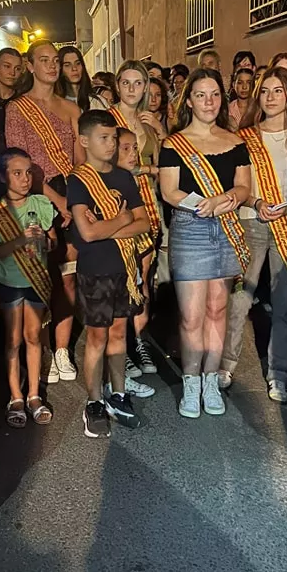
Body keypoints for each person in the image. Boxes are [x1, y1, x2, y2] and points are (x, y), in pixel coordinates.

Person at [223, 67, 287, 402]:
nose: (269, 97)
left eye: (277, 91)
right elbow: (237, 185)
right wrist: (255, 200)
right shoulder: (245, 137)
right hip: (252, 220)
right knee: (239, 299)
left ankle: (278, 374)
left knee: (284, 302)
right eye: (264, 91)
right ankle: (224, 367)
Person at [159, 68, 251, 418]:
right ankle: (191, 381)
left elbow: (244, 188)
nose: (209, 102)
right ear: (190, 100)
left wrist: (226, 198)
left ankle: (211, 380)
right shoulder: (174, 143)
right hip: (191, 230)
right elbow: (169, 191)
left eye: (215, 94)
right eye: (201, 95)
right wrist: (204, 204)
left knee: (218, 310)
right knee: (191, 316)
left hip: (226, 228)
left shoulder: (235, 141)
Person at [67, 110, 150, 437]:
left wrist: (106, 228)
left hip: (123, 269)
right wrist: (120, 222)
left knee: (119, 334)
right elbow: (86, 234)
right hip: (96, 270)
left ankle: (118, 394)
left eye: (114, 138)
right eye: (104, 138)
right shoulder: (78, 180)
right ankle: (94, 402)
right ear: (85, 141)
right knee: (97, 337)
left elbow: (144, 222)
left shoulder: (123, 177)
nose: (111, 144)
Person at [5, 40, 84, 383]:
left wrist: (76, 199)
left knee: (68, 275)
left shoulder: (71, 109)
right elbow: (18, 163)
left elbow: (81, 161)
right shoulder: (17, 109)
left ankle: (62, 351)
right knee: (38, 278)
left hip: (70, 194)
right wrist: (54, 199)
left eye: (56, 60)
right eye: (44, 60)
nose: (52, 66)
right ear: (30, 65)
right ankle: (36, 350)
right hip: (34, 196)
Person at [0, 149, 56, 427]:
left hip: (36, 279)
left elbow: (52, 240)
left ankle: (34, 394)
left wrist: (46, 243)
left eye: (28, 173)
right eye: (17, 173)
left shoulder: (40, 203)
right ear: (3, 176)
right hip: (9, 282)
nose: (25, 179)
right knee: (13, 340)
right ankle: (15, 396)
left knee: (33, 337)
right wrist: (19, 242)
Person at [111, 60, 162, 375]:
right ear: (118, 85)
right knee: (120, 277)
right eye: (126, 83)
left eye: (138, 83)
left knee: (144, 276)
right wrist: (147, 169)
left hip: (150, 202)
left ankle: (140, 342)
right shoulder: (108, 118)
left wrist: (160, 130)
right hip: (119, 203)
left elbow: (168, 161)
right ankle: (122, 345)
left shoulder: (149, 120)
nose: (132, 89)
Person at [55, 45, 108, 111]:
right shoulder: (53, 103)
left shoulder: (97, 102)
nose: (74, 68)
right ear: (60, 69)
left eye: (78, 63)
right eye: (67, 65)